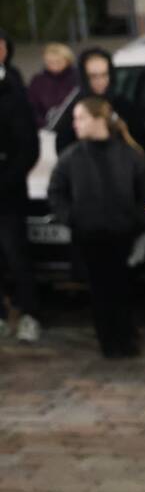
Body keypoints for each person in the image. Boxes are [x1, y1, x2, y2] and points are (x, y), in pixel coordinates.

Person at [48, 98, 145, 358]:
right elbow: (56, 192)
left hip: (122, 233)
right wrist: (71, 217)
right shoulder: (72, 157)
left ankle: (125, 336)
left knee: (121, 286)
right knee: (99, 290)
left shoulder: (128, 154)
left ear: (98, 120)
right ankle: (109, 340)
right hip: (89, 234)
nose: (75, 124)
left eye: (81, 118)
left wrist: (140, 218)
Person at [0, 29, 41, 343]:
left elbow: (28, 146)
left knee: (17, 255)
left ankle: (30, 314)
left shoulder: (13, 89)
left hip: (8, 191)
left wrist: (8, 178)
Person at [54, 47, 142, 154]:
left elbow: (138, 141)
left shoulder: (123, 105)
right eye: (93, 76)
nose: (100, 81)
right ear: (84, 77)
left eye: (104, 75)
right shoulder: (75, 109)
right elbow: (63, 149)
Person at [27, 43, 78, 128]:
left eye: (58, 61)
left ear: (67, 61)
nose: (54, 65)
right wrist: (42, 124)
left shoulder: (77, 78)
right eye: (50, 62)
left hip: (73, 125)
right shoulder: (38, 80)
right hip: (45, 126)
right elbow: (31, 106)